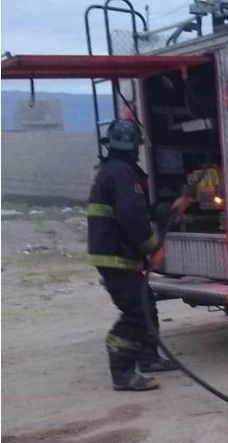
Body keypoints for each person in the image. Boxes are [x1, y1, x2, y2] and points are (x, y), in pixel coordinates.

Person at [87, 119, 178, 391]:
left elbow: (133, 213)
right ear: (133, 148)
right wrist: (154, 248)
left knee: (146, 304)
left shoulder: (112, 171)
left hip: (115, 253)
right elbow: (132, 218)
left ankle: (148, 358)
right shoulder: (123, 174)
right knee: (137, 312)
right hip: (116, 256)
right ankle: (123, 371)